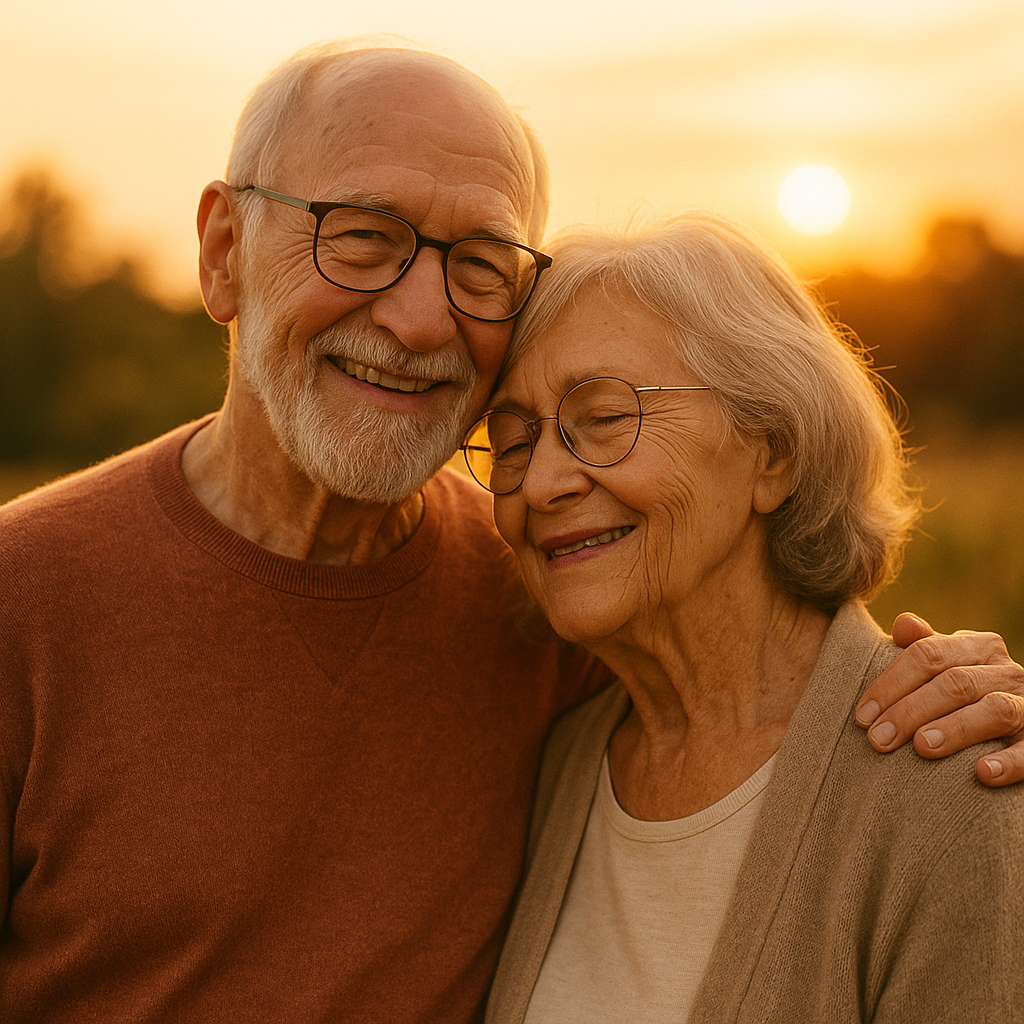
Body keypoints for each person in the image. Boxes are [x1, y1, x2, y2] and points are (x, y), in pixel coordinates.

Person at [0, 42, 1020, 1024]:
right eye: (361, 235)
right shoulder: (24, 601)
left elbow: (769, 689)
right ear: (224, 253)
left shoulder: (541, 612)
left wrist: (962, 695)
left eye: (480, 265)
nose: (417, 319)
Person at [471, 213, 1024, 1022]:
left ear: (773, 453)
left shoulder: (958, 791)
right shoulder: (560, 760)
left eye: (605, 418)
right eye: (513, 440)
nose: (541, 481)